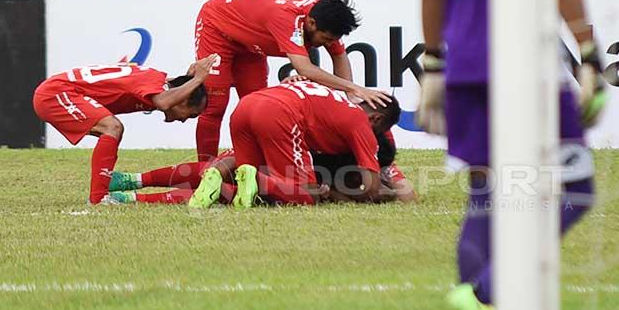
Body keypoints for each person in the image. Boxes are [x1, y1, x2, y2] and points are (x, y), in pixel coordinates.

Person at [416, 0, 608, 310]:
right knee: (576, 190)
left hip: (465, 62)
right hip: (527, 57)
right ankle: (486, 292)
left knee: (486, 193)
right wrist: (589, 52)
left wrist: (433, 62)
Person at [193, 0, 391, 162]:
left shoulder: (326, 16)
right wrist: (354, 87)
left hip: (250, 43)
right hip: (217, 27)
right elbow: (304, 68)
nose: (329, 44)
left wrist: (350, 100)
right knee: (214, 106)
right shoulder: (287, 18)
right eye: (327, 39)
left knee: (257, 108)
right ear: (311, 24)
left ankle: (254, 166)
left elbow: (339, 56)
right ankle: (204, 171)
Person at [186, 80, 401, 210]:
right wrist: (389, 194)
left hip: (246, 105)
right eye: (380, 133)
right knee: (306, 196)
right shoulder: (360, 123)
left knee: (249, 176)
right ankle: (234, 184)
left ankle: (214, 175)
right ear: (377, 119)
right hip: (279, 114)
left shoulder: (335, 101)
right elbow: (370, 189)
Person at [32, 56, 217, 204]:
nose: (185, 120)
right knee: (112, 127)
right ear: (183, 101)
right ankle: (99, 198)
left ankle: (105, 185)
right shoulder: (154, 84)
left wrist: (190, 78)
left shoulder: (156, 79)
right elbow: (164, 102)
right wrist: (199, 78)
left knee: (111, 129)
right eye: (191, 114)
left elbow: (170, 91)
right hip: (56, 94)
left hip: (57, 91)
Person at [107, 131, 416, 204]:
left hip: (292, 166)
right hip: (278, 141)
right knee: (212, 174)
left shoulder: (378, 143)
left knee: (234, 192)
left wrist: (341, 191)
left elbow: (407, 193)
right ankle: (133, 181)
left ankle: (132, 197)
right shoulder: (340, 123)